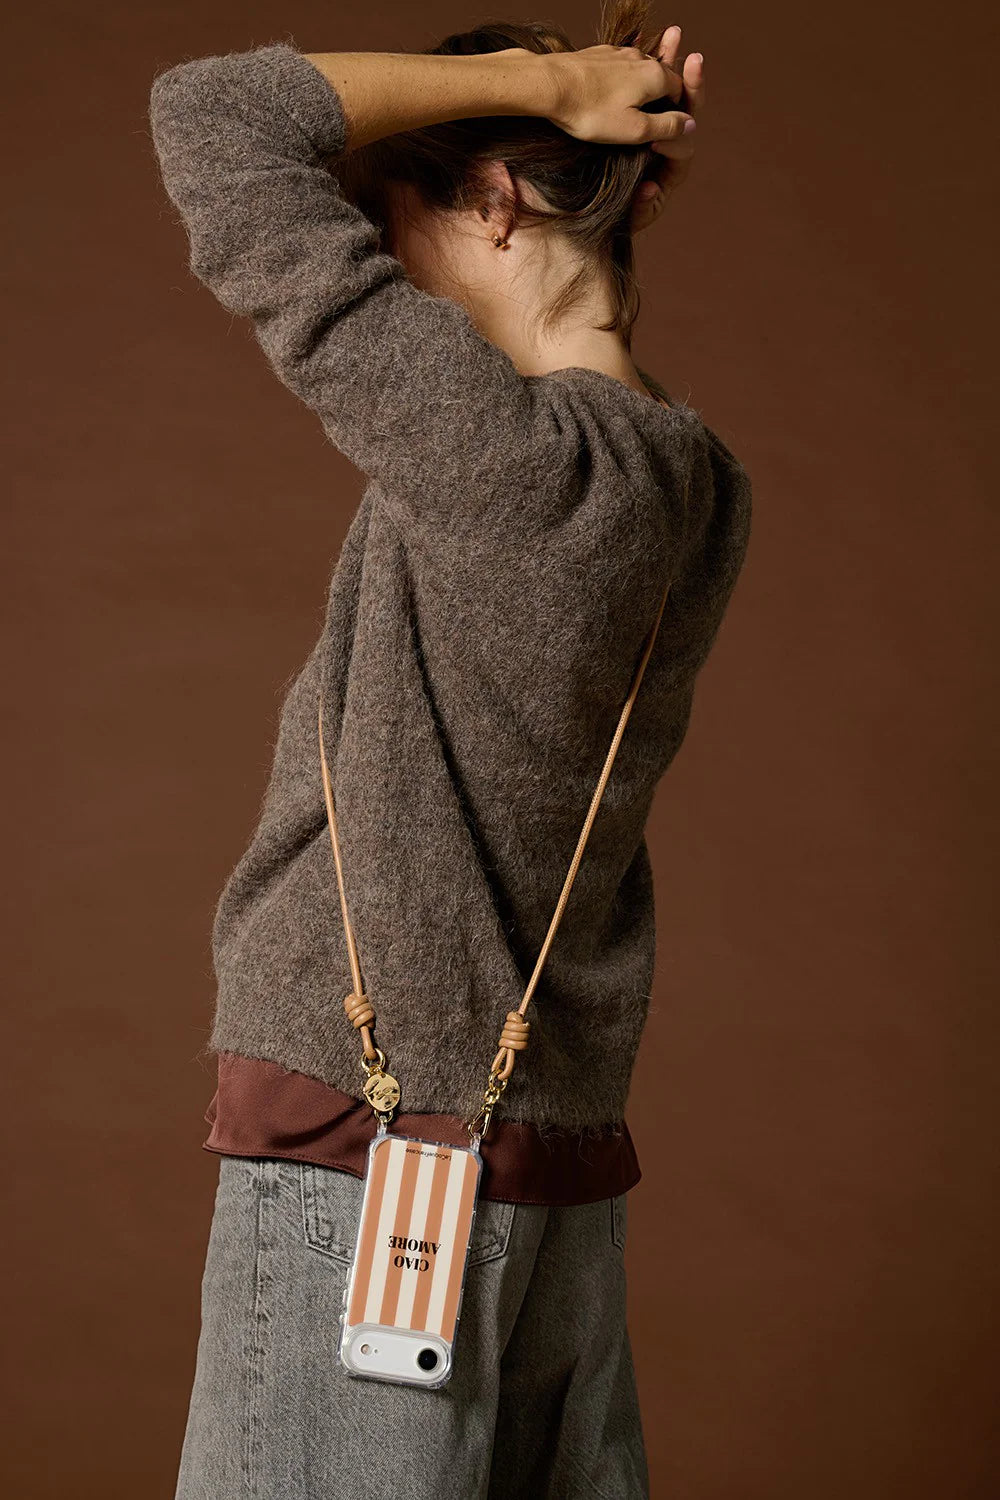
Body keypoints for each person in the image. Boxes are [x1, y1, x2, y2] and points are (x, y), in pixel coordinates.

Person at [148, 6, 752, 1497]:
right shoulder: (694, 481)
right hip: (544, 1164)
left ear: (490, 202)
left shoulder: (513, 465)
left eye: (389, 221)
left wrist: (541, 87)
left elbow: (216, 118)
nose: (382, 263)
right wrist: (593, 172)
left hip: (371, 1163)